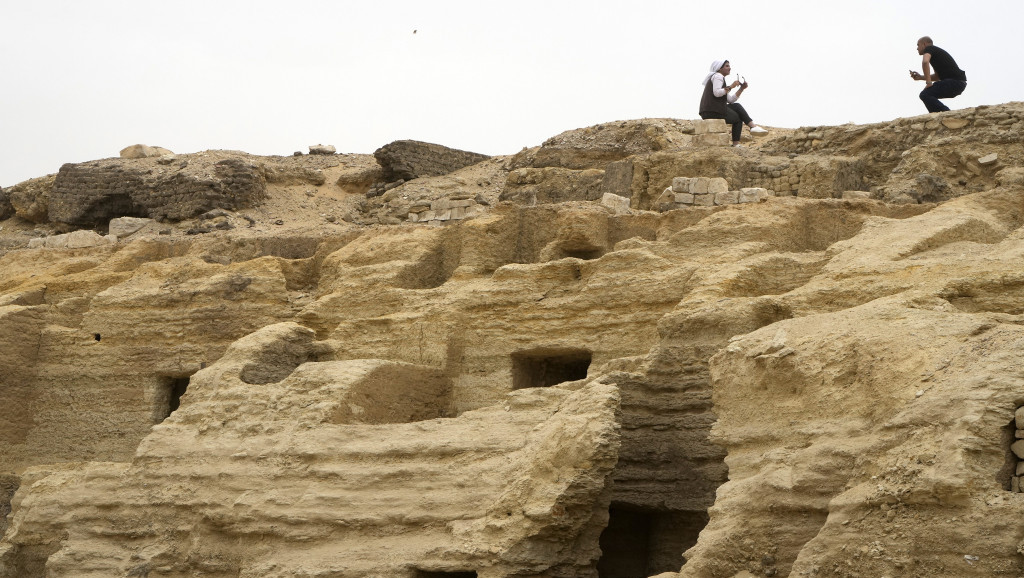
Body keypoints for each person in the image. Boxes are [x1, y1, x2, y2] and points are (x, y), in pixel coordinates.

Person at [699, 59, 768, 146]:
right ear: (719, 68)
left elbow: (730, 100)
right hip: (713, 110)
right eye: (727, 66)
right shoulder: (718, 76)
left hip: (709, 110)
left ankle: (752, 127)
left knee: (736, 106)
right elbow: (717, 93)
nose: (729, 68)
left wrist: (741, 89)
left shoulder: (719, 78)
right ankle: (744, 135)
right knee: (739, 119)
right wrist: (731, 86)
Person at [909, 36, 967, 113]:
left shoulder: (929, 49)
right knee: (927, 95)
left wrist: (929, 83)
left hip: (955, 82)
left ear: (924, 44)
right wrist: (921, 77)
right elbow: (937, 77)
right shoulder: (935, 54)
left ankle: (946, 114)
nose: (917, 48)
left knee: (925, 94)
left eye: (918, 45)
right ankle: (939, 115)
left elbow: (925, 62)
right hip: (958, 84)